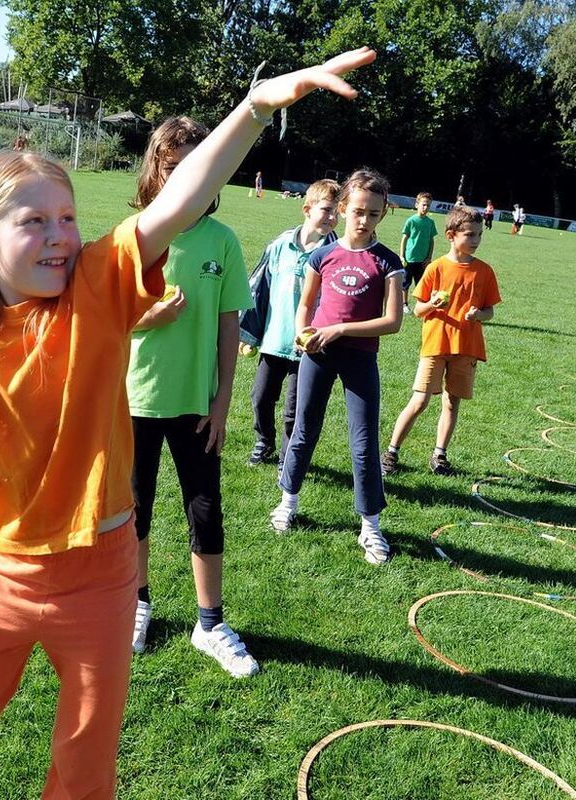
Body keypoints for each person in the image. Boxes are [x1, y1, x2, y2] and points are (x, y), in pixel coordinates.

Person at [0, 46, 376, 800]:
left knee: (84, 768)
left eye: (68, 217)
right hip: (6, 572)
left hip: (104, 575)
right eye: (33, 221)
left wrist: (256, 107)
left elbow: (176, 202)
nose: (60, 236)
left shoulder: (99, 288)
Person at [127, 116, 258, 677]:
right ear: (156, 169)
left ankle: (210, 623)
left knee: (205, 510)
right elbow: (107, 318)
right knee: (134, 511)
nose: (184, 178)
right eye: (173, 166)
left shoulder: (222, 240)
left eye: (195, 167)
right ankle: (136, 605)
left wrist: (224, 400)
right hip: (133, 400)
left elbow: (231, 327)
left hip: (198, 405)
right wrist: (148, 317)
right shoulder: (136, 235)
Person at [269, 168, 404, 566]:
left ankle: (371, 525)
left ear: (382, 215)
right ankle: (288, 501)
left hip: (360, 357)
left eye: (374, 214)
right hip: (317, 354)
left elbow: (392, 321)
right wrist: (302, 333)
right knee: (304, 429)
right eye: (359, 211)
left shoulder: (388, 262)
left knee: (364, 442)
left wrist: (340, 329)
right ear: (344, 208)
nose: (364, 220)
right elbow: (306, 304)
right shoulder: (321, 255)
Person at [381, 205, 501, 478]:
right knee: (420, 400)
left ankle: (440, 454)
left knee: (451, 402)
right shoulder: (436, 268)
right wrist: (433, 304)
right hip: (436, 344)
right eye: (469, 235)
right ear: (450, 235)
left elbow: (490, 311)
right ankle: (391, 451)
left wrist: (479, 314)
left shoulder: (484, 271)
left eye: (479, 235)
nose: (475, 240)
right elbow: (419, 311)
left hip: (466, 347)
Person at [239, 178, 340, 470]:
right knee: (260, 398)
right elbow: (259, 288)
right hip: (274, 339)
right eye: (326, 210)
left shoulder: (334, 253)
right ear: (307, 209)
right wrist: (250, 331)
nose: (332, 217)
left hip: (309, 346)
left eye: (337, 211)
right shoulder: (280, 244)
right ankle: (264, 441)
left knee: (294, 410)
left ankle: (288, 456)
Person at [399, 191, 437, 314]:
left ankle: (420, 305)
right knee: (406, 283)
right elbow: (404, 239)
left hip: (423, 260)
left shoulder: (430, 223)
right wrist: (402, 256)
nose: (426, 208)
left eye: (428, 206)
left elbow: (431, 240)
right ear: (417, 205)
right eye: (424, 205)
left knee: (421, 284)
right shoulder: (411, 221)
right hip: (410, 258)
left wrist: (429, 257)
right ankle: (404, 304)